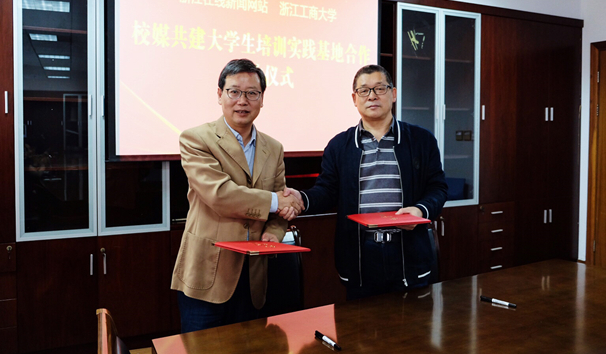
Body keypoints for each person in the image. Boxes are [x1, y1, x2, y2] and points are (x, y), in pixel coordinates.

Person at [285, 64, 447, 300]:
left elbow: (438, 188)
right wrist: (302, 198)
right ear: (354, 98)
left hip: (409, 250)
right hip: (360, 254)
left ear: (393, 93)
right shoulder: (339, 146)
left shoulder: (421, 140)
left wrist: (420, 211)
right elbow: (327, 192)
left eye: (379, 88)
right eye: (364, 90)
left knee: (415, 321)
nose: (372, 96)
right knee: (361, 322)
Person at [172, 58, 304, 333]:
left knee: (249, 346)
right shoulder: (196, 139)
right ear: (220, 94)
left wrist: (274, 232)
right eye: (234, 92)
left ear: (262, 99)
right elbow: (220, 195)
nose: (242, 101)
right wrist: (279, 202)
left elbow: (279, 209)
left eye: (252, 93)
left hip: (254, 276)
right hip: (207, 274)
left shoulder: (274, 148)